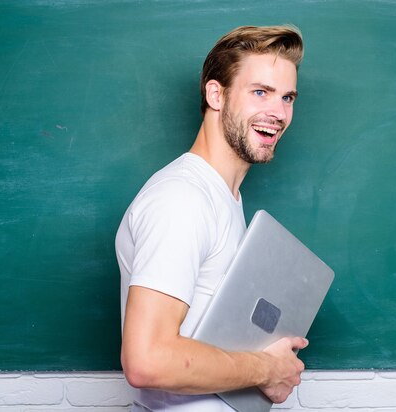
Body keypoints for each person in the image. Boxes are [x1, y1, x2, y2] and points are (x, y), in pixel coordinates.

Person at [115, 25, 307, 412]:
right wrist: (266, 369)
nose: (278, 113)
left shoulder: (224, 197)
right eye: (260, 92)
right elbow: (146, 360)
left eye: (287, 97)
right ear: (216, 94)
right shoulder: (183, 199)